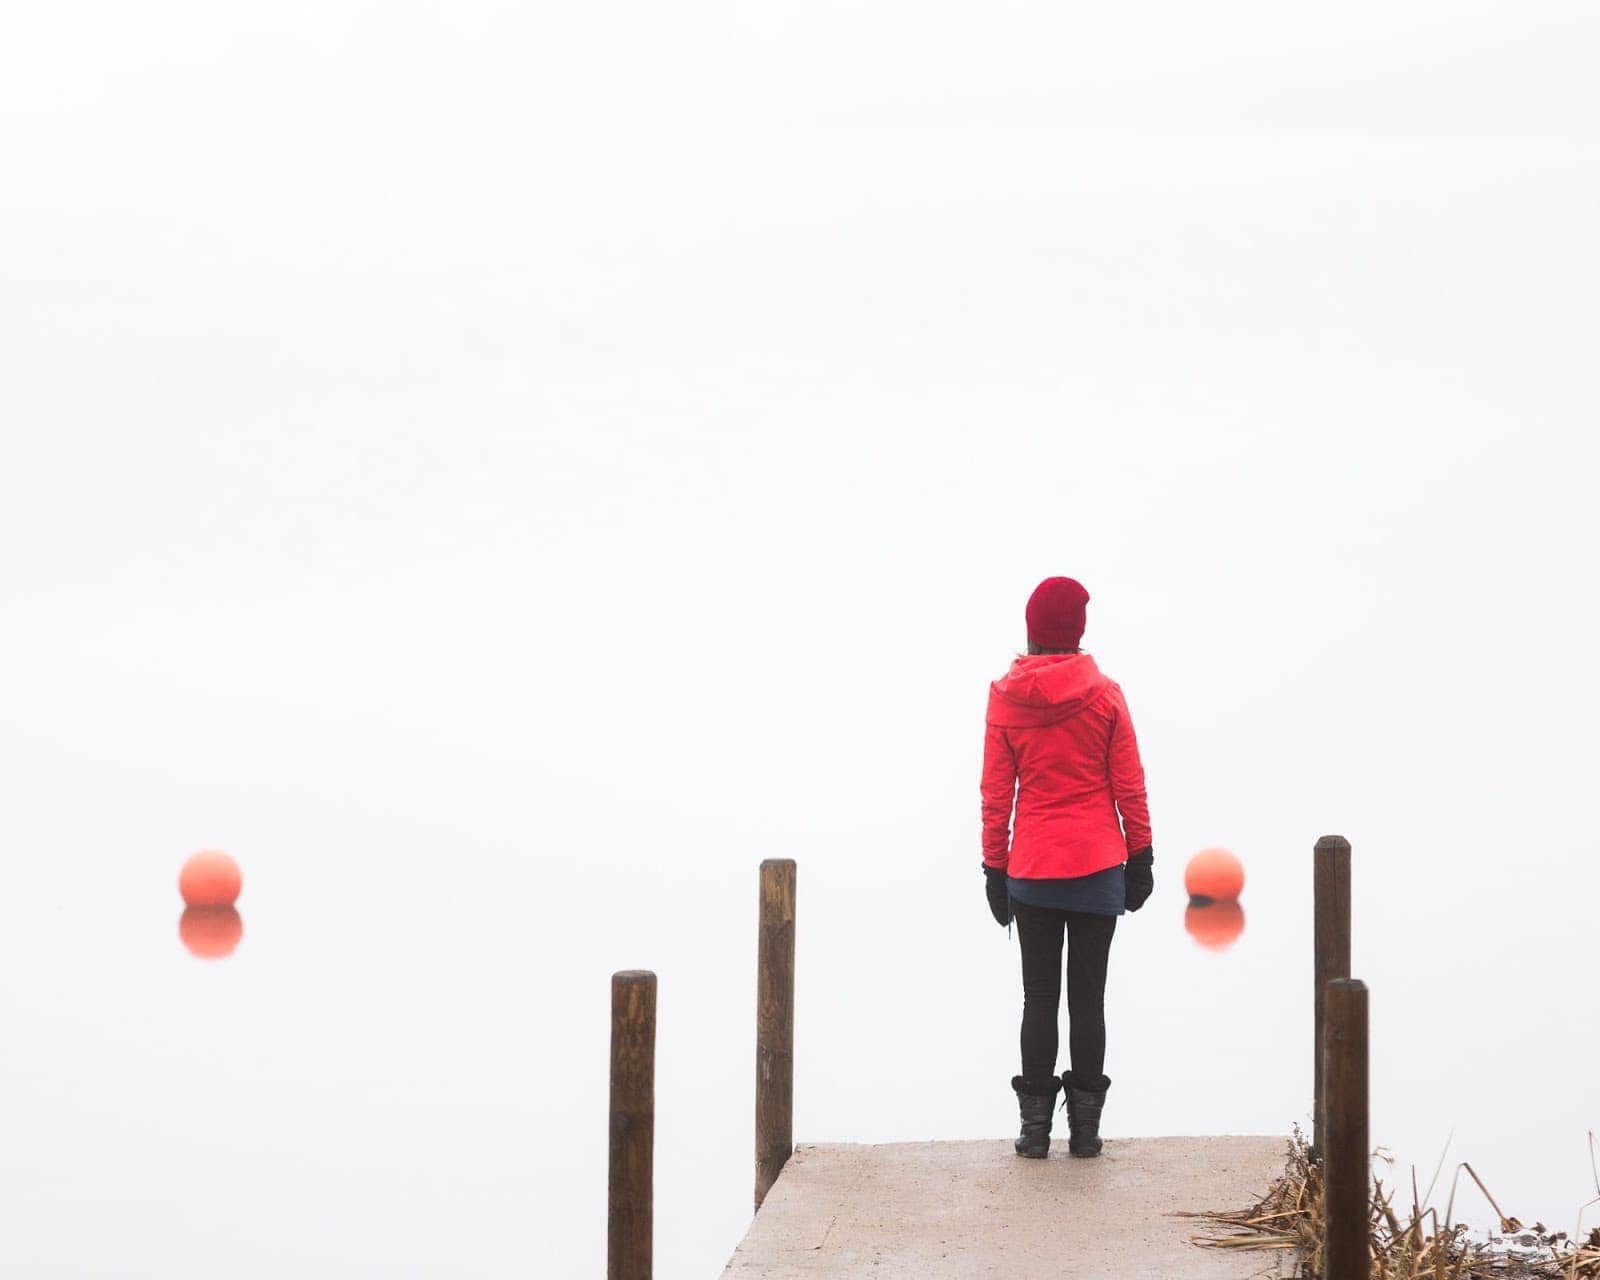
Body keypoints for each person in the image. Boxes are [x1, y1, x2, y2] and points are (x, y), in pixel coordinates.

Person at [979, 576, 1154, 1159]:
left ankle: (1033, 1133)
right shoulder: (1105, 696)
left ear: (1032, 629)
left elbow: (995, 795)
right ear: (1077, 631)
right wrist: (1141, 855)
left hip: (1031, 867)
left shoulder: (1005, 699)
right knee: (1088, 1000)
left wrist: (994, 869)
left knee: (1037, 998)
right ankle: (1084, 1133)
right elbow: (1129, 784)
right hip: (1097, 865)